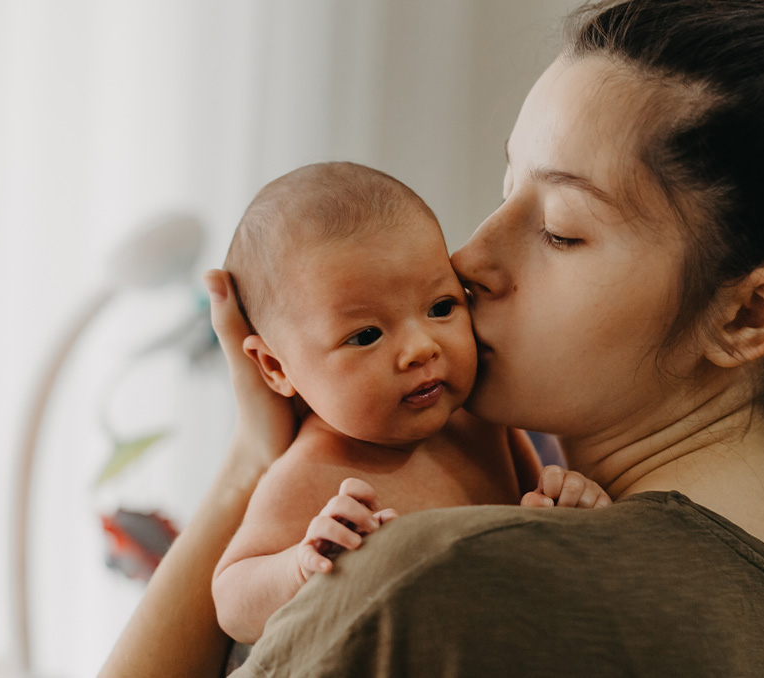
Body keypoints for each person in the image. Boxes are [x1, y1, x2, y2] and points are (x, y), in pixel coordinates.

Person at [99, 1, 764, 677]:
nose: (469, 257)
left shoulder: (437, 582)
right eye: (503, 186)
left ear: (747, 316)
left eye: (560, 228)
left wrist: (255, 468)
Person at [210, 161, 603, 645]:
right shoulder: (308, 472)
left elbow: (529, 514)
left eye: (441, 307)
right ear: (275, 368)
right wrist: (300, 566)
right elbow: (231, 602)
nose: (421, 348)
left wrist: (565, 512)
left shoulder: (479, 426)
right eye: (367, 335)